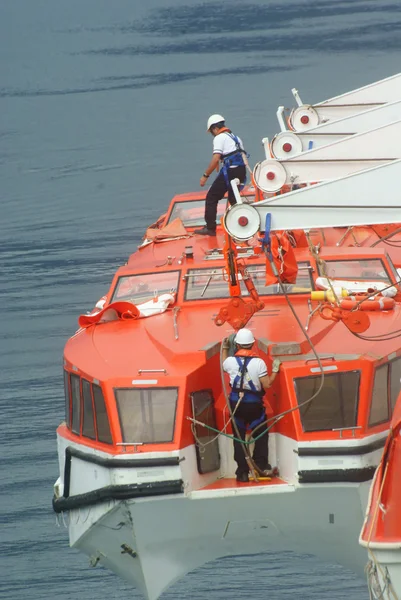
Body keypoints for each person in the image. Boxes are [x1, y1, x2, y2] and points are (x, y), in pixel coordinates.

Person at [222, 328, 281, 482]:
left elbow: (223, 363)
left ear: (237, 344)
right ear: (253, 343)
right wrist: (275, 371)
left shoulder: (229, 362)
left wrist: (226, 347)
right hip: (255, 407)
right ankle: (260, 466)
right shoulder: (259, 363)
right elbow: (267, 384)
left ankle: (242, 473)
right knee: (261, 435)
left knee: (239, 439)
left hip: (237, 406)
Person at [194, 114, 248, 236]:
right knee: (234, 200)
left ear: (214, 128)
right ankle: (241, 224)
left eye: (212, 131)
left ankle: (210, 227)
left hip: (231, 171)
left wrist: (205, 175)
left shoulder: (219, 138)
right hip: (241, 170)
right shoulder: (236, 138)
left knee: (212, 197)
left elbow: (215, 158)